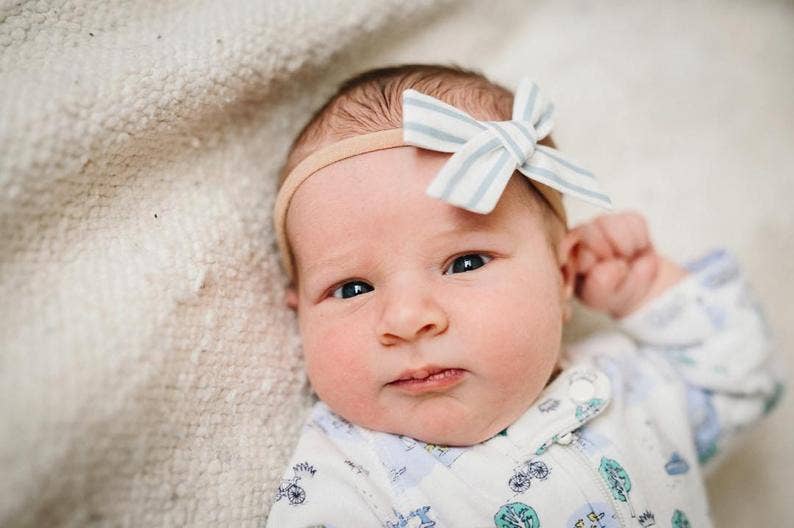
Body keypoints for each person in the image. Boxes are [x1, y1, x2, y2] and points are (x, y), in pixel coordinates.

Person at [266, 63, 783, 527]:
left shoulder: (625, 386)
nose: (406, 318)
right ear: (299, 312)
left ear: (563, 274)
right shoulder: (348, 477)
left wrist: (647, 290)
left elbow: (742, 383)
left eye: (464, 263)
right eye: (351, 288)